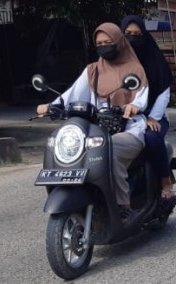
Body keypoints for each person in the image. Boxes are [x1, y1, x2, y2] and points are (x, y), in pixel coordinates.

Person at [37, 23, 148, 220]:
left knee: (110, 152)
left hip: (129, 129)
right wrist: (51, 105)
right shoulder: (93, 71)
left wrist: (134, 106)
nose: (103, 46)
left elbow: (141, 95)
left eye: (108, 42)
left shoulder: (135, 69)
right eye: (99, 43)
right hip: (97, 129)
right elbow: (72, 94)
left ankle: (123, 205)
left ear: (119, 43)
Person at [120, 15, 176, 200]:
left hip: (153, 115)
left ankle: (165, 181)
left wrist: (153, 117)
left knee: (152, 138)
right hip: (122, 118)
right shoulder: (115, 61)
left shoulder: (154, 59)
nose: (132, 38)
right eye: (128, 34)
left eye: (137, 34)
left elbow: (163, 91)